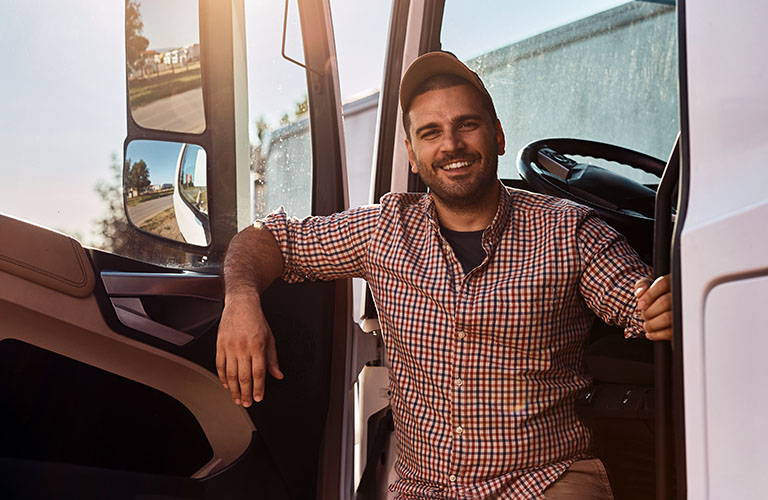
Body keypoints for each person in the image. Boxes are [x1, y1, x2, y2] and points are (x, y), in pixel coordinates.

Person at [215, 51, 672, 499]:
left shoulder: (567, 229)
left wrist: (656, 306)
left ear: (497, 135)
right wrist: (240, 300)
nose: (451, 145)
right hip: (425, 489)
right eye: (431, 132)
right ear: (412, 155)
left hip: (546, 479)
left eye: (466, 125)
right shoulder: (383, 229)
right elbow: (268, 239)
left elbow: (634, 295)